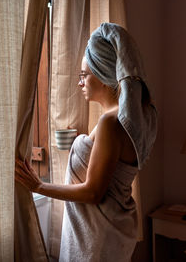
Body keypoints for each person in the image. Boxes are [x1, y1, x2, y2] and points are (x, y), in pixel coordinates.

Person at [15, 23, 157, 262]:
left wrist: (38, 187)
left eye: (84, 75)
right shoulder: (144, 115)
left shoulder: (110, 124)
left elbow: (93, 192)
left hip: (96, 239)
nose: (80, 83)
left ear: (103, 75)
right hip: (113, 230)